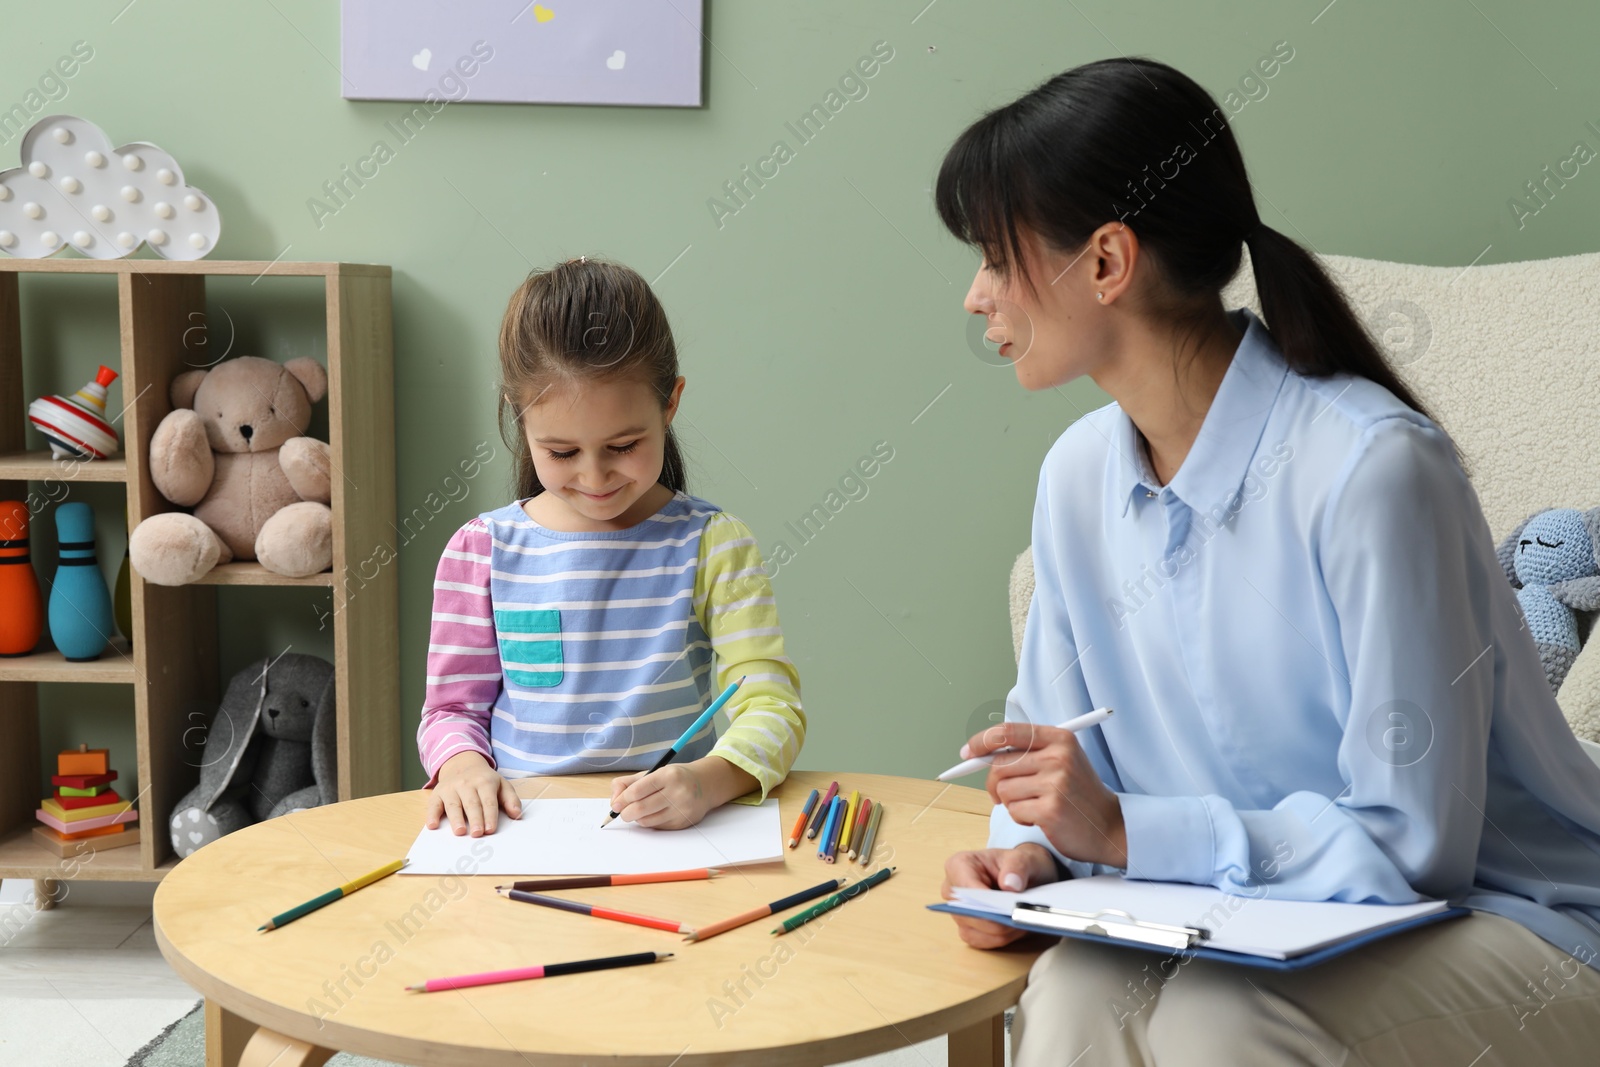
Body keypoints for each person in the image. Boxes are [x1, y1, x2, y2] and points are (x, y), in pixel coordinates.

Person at [936, 58, 1600, 1065]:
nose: (975, 294)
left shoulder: (1372, 470)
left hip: (1512, 919)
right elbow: (1066, 753)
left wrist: (1122, 832)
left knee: (1218, 1015)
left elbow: (1410, 847)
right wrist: (1026, 851)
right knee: (1072, 986)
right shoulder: (1076, 478)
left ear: (1107, 262)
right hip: (1241, 917)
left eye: (994, 253)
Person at [418, 257, 804, 836]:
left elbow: (770, 703)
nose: (595, 478)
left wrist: (707, 780)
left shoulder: (713, 544)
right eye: (563, 453)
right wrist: (462, 765)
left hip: (672, 835)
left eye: (623, 445)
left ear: (670, 403)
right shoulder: (481, 551)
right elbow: (451, 712)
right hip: (518, 837)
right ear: (518, 417)